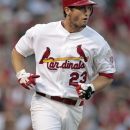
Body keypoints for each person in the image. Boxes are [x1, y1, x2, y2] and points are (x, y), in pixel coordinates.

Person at [11, 0, 116, 130]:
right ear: (67, 10)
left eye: (89, 9)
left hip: (74, 107)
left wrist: (92, 87)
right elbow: (18, 52)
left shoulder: (97, 41)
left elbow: (107, 74)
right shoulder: (42, 32)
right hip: (45, 101)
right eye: (82, 9)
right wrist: (21, 73)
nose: (87, 13)